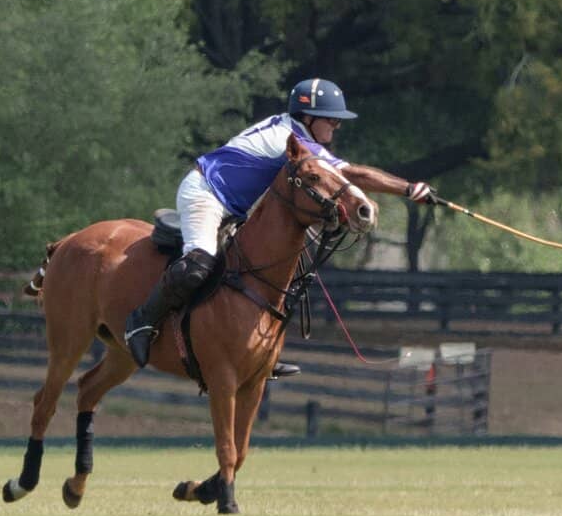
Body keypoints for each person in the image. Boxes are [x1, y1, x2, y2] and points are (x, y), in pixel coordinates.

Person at [124, 78, 438, 375]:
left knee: (274, 269)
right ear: (308, 117)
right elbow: (353, 175)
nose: (336, 125)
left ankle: (256, 351)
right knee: (199, 263)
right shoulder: (292, 139)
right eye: (331, 118)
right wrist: (408, 189)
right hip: (206, 192)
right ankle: (142, 321)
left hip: (237, 205)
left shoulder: (301, 138)